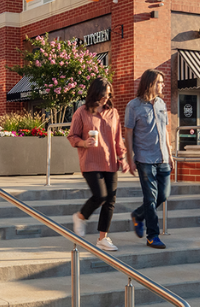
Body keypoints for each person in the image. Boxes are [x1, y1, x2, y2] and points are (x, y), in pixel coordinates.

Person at [68, 78, 127, 252]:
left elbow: (118, 139)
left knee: (110, 200)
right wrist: (84, 143)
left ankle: (103, 238)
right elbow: (72, 136)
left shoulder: (113, 112)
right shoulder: (81, 112)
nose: (106, 98)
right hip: (90, 161)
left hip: (110, 161)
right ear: (95, 93)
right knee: (100, 196)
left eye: (108, 94)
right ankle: (80, 216)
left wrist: (122, 157)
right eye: (103, 94)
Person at [125, 69, 173, 249]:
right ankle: (152, 236)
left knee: (163, 195)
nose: (163, 85)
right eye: (159, 82)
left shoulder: (161, 104)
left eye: (162, 82)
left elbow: (165, 131)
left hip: (163, 158)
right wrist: (130, 158)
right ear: (150, 84)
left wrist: (170, 153)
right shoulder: (133, 106)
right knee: (151, 197)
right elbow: (128, 133)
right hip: (144, 158)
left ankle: (138, 215)